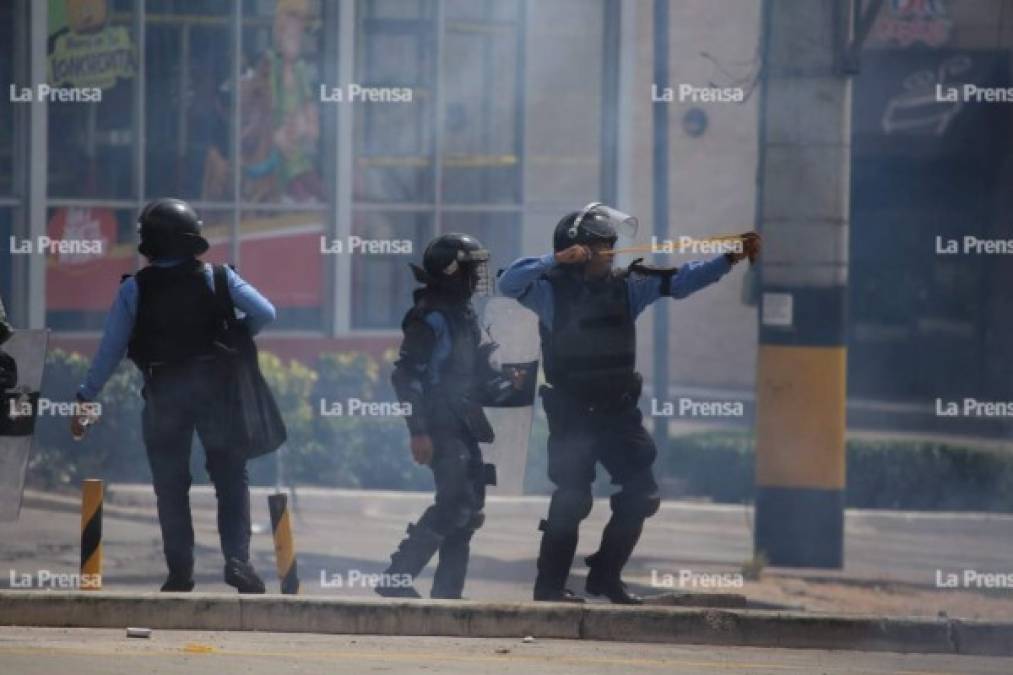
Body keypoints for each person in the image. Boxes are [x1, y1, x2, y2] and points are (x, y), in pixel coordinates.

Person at [499, 202, 760, 604]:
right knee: (573, 498)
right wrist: (554, 259)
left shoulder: (629, 286)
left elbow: (684, 281)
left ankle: (605, 576)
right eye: (600, 245)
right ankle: (549, 586)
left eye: (610, 244)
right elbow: (507, 285)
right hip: (572, 414)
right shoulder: (550, 291)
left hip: (617, 412)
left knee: (642, 495)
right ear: (578, 250)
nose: (609, 251)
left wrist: (731, 257)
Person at [71, 198, 277, 593]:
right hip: (218, 393)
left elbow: (110, 349)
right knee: (231, 478)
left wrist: (85, 396)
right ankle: (237, 562)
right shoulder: (218, 278)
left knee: (170, 484)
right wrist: (235, 334)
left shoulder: (135, 288)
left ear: (148, 244)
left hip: (164, 393)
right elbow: (266, 312)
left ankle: (180, 573)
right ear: (191, 239)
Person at [377, 233, 517, 599]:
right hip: (439, 423)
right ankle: (395, 579)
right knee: (454, 501)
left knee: (469, 509)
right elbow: (405, 376)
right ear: (452, 272)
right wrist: (418, 431)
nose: (476, 278)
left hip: (463, 421)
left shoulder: (465, 315)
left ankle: (448, 594)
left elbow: (480, 369)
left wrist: (505, 383)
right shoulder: (430, 317)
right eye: (470, 271)